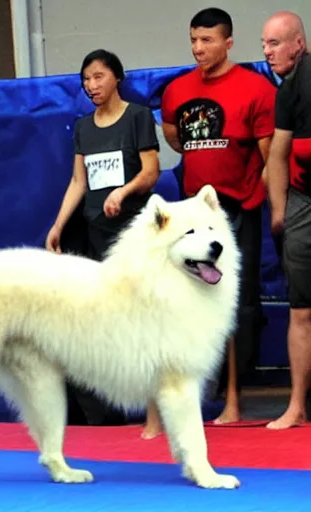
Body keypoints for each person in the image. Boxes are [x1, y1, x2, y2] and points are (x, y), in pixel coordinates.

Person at [156, 7, 276, 428]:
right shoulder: (176, 91)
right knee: (194, 300)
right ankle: (198, 390)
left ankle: (234, 395)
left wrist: (262, 197)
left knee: (239, 303)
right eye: (193, 40)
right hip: (194, 215)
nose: (198, 48)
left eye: (207, 41)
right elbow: (174, 134)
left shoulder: (255, 89)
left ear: (228, 43)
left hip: (239, 208)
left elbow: (268, 154)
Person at [45, 49, 160, 427]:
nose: (91, 86)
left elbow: (151, 172)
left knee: (143, 321)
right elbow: (79, 181)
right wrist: (59, 225)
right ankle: (107, 410)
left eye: (98, 77)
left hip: (133, 238)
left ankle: (154, 414)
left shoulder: (138, 117)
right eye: (86, 79)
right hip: (95, 239)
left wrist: (123, 192)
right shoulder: (83, 127)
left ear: (116, 78)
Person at [262, 11, 311, 430]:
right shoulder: (288, 90)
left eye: (275, 43)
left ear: (299, 43)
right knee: (301, 309)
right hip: (303, 204)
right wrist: (279, 210)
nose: (267, 51)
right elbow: (277, 155)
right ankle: (296, 406)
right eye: (264, 43)